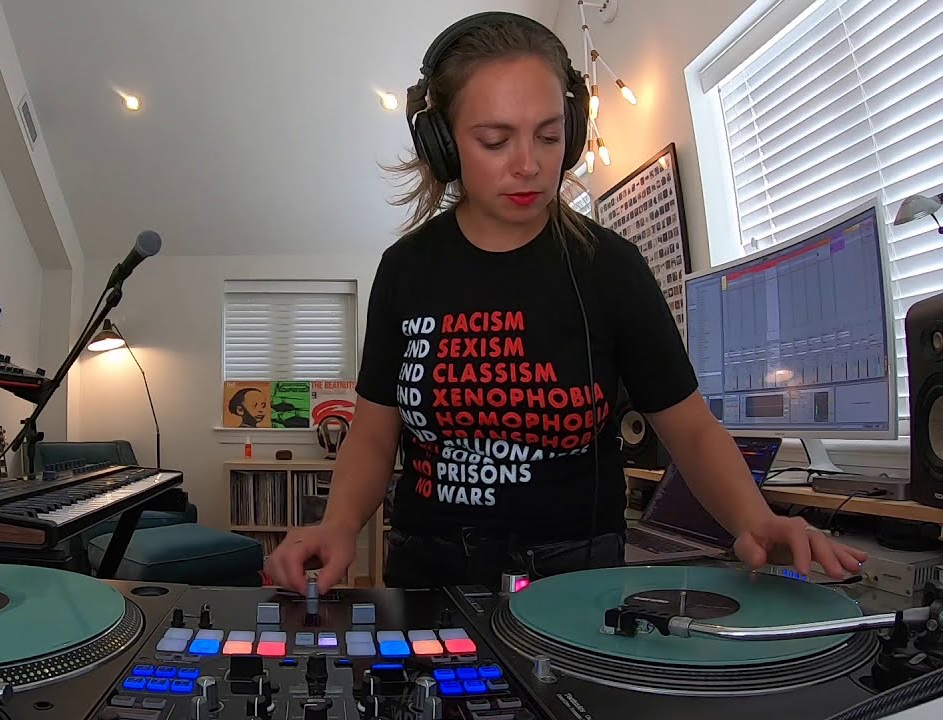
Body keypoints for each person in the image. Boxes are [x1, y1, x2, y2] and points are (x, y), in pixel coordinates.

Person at [265, 12, 868, 594]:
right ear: (443, 145)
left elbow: (689, 428)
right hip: (432, 570)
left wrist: (755, 521)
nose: (529, 165)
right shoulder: (406, 270)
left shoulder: (612, 267)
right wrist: (338, 524)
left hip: (578, 577)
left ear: (573, 135)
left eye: (549, 136)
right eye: (495, 140)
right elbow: (374, 435)